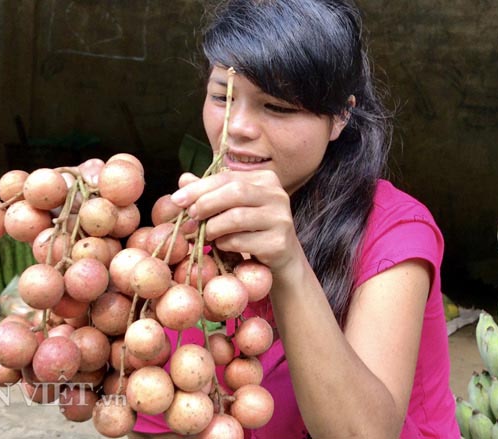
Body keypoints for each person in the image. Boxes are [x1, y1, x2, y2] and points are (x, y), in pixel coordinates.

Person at [130, 0, 459, 437]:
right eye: (222, 98)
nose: (238, 127)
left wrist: (288, 264)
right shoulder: (195, 231)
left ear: (340, 116)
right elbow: (156, 418)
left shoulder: (395, 231)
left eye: (278, 107)